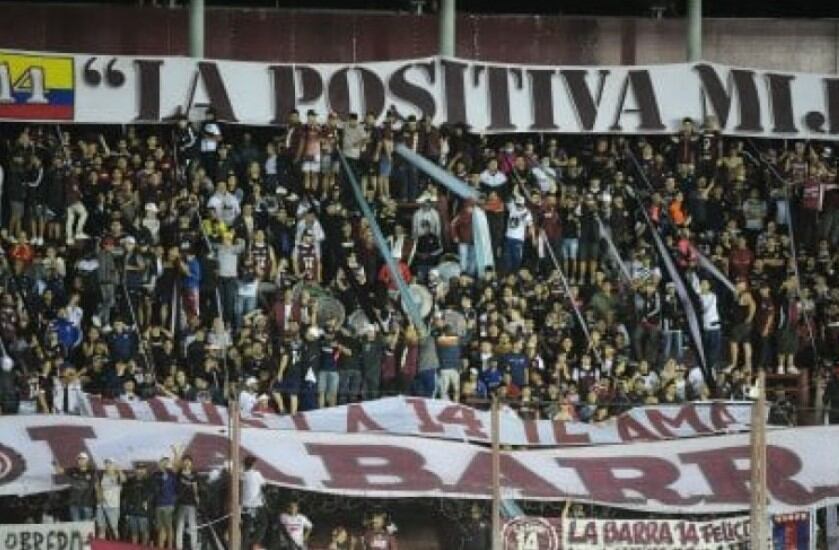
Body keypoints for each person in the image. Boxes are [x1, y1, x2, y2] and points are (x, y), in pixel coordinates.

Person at [54, 452, 97, 522]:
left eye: (83, 459)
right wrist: (55, 464)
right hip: (74, 503)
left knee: (87, 526)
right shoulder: (73, 470)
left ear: (87, 460)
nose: (81, 460)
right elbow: (60, 471)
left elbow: (95, 486)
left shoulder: (92, 472)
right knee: (77, 526)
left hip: (87, 503)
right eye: (79, 459)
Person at [152, 453, 179, 549]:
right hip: (159, 505)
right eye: (163, 461)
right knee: (161, 528)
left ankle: (170, 547)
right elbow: (154, 488)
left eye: (166, 461)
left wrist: (176, 452)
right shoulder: (155, 474)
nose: (164, 463)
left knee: (169, 527)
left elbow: (176, 465)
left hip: (169, 505)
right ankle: (161, 546)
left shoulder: (172, 473)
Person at [123, 464, 154, 546]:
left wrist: (146, 501)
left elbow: (152, 494)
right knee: (134, 533)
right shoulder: (130, 481)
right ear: (135, 470)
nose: (140, 471)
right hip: (132, 511)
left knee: (145, 533)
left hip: (144, 512)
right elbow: (126, 496)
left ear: (146, 470)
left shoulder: (149, 481)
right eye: (138, 469)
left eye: (142, 469)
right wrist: (127, 511)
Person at [96, 458, 126, 539]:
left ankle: (115, 546)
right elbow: (97, 487)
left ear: (114, 465)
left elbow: (124, 480)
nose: (108, 465)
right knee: (101, 528)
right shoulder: (101, 475)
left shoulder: (118, 476)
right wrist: (99, 495)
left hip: (113, 506)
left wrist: (119, 470)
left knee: (114, 528)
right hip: (101, 506)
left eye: (110, 463)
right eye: (106, 463)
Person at [175, 454, 200, 550]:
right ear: (183, 462)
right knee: (179, 526)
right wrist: (176, 452)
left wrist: (197, 497)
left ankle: (194, 547)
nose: (187, 462)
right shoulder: (179, 473)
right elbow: (176, 466)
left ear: (191, 463)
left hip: (191, 504)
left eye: (188, 461)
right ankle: (179, 547)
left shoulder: (194, 473)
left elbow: (195, 486)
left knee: (192, 526)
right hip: (181, 503)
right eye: (185, 461)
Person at [241, 456, 266, 550]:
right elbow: (264, 484)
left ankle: (244, 547)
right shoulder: (257, 474)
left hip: (245, 505)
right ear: (253, 464)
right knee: (263, 523)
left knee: (247, 527)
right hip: (256, 505)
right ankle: (255, 543)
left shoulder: (242, 474)